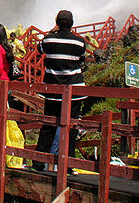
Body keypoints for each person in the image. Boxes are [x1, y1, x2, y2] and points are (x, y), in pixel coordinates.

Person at [33, 10, 86, 171]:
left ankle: (39, 162)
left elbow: (39, 49)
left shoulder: (48, 40)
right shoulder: (80, 42)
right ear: (72, 24)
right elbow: (81, 59)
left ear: (57, 22)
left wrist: (52, 32)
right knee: (71, 126)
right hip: (75, 90)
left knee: (48, 125)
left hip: (53, 90)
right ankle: (68, 166)